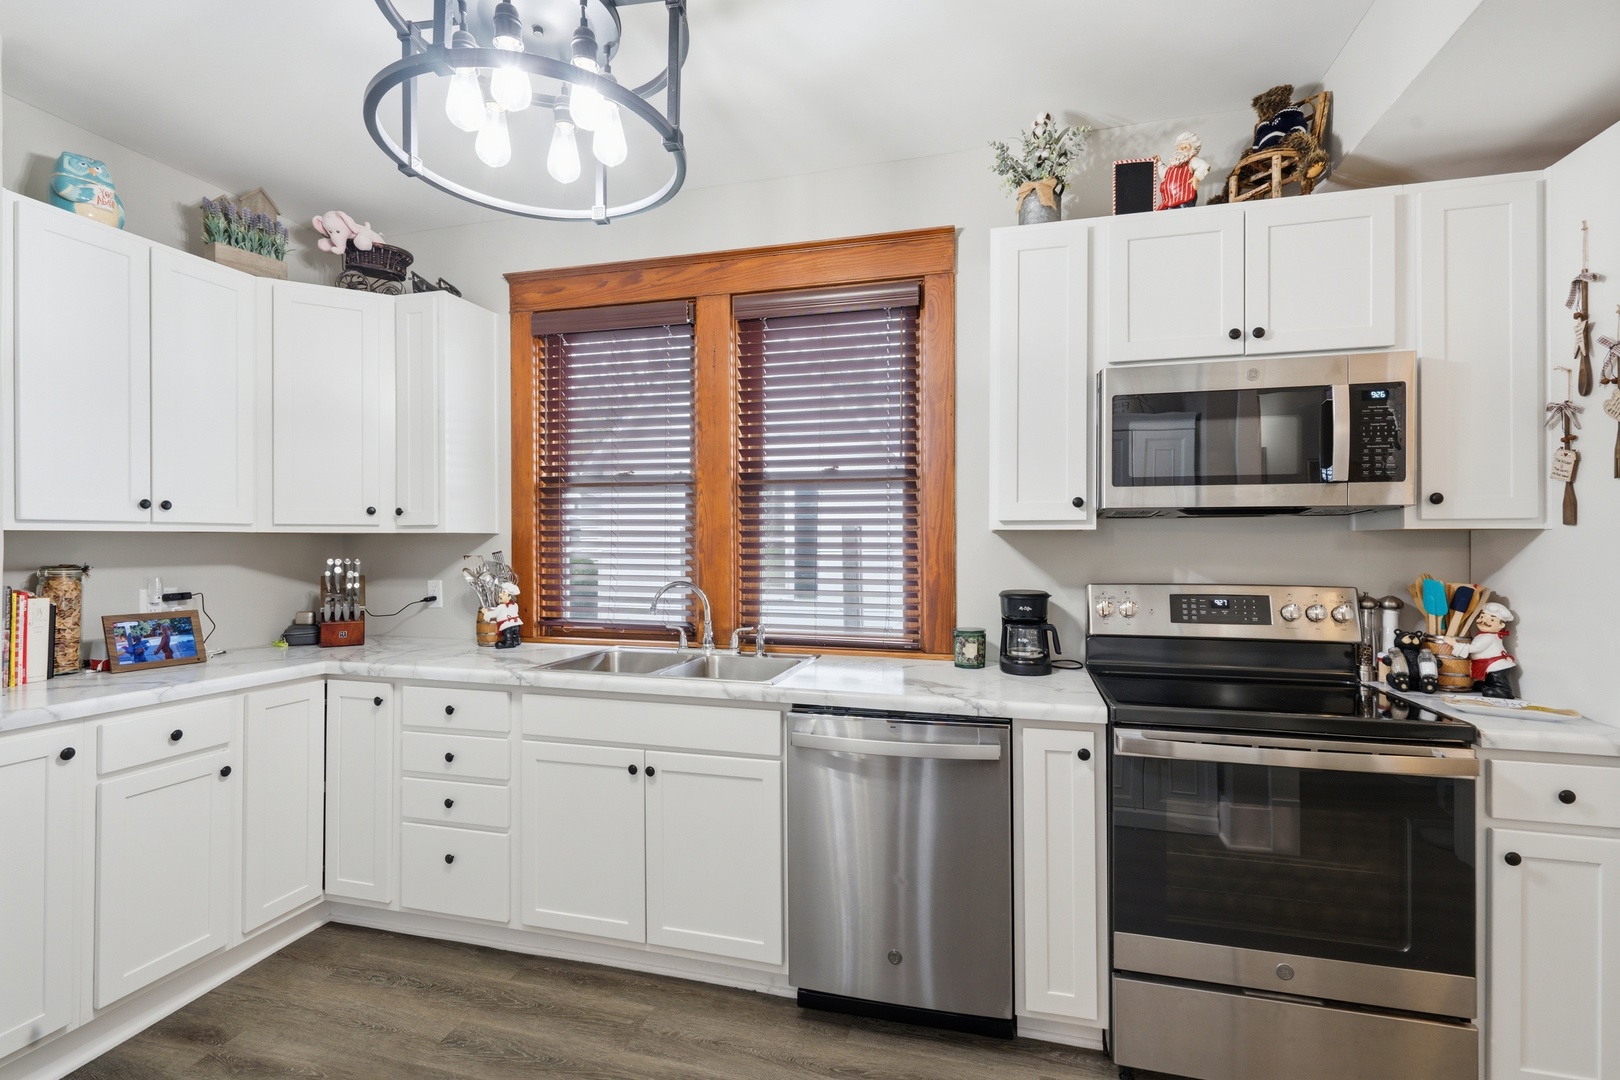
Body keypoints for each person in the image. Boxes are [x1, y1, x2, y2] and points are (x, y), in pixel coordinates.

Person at [1434, 602, 1517, 698]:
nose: (1484, 621)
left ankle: (1503, 691)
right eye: (1482, 617)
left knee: (1497, 679)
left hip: (1496, 665)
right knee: (1489, 678)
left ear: (1501, 625)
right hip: (1488, 663)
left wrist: (1455, 644)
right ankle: (1487, 686)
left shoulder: (1488, 637)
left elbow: (1473, 648)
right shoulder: (1485, 635)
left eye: (1492, 619)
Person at [1158, 131, 1210, 210]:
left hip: (1185, 198)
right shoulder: (1172, 165)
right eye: (1179, 147)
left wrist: (1196, 177)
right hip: (1170, 200)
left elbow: (1204, 165)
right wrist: (1159, 163)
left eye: (1185, 147)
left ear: (1192, 148)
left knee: (1184, 215)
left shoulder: (1191, 161)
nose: (1181, 149)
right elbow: (1163, 174)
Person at [483, 582, 523, 649]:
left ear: (509, 597)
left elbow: (493, 614)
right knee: (516, 635)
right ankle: (517, 641)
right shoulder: (515, 605)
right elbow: (516, 612)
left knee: (508, 635)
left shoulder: (501, 607)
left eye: (503, 594)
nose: (500, 595)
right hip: (517, 623)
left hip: (507, 625)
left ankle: (509, 643)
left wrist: (485, 613)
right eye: (501, 593)